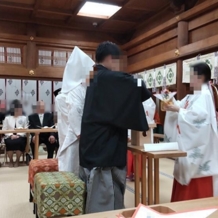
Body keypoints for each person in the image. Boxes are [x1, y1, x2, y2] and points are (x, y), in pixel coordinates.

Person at [79, 41, 151, 213]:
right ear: (112, 58)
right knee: (106, 200)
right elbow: (138, 86)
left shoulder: (95, 78)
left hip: (93, 144)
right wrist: (141, 81)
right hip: (105, 150)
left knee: (101, 196)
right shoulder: (108, 77)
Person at [164, 62, 218, 202]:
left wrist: (177, 110)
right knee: (185, 168)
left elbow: (199, 117)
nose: (189, 79)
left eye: (192, 76)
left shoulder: (205, 95)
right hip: (191, 143)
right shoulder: (194, 95)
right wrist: (169, 100)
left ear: (200, 77)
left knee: (194, 171)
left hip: (200, 147)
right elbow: (182, 106)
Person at [57, 46, 95, 174]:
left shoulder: (81, 88)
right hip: (76, 136)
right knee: (73, 169)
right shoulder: (76, 90)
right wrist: (81, 134)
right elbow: (74, 113)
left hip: (78, 133)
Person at [2, 99, 28, 167]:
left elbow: (26, 129)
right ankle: (10, 161)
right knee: (9, 143)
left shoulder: (24, 118)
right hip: (9, 136)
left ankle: (17, 161)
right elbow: (4, 129)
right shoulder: (7, 118)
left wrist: (19, 135)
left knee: (19, 142)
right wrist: (11, 135)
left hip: (20, 136)